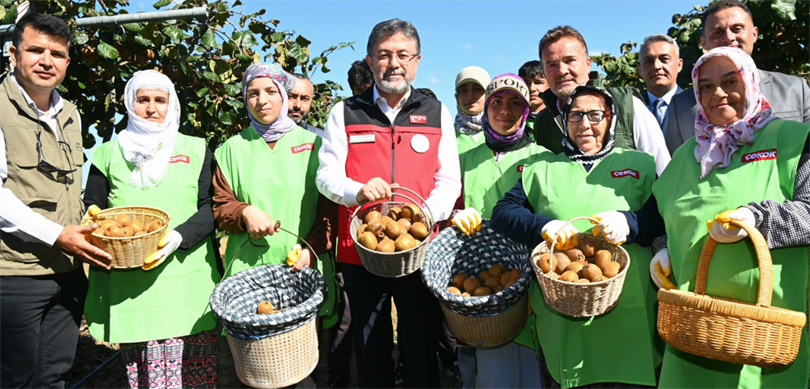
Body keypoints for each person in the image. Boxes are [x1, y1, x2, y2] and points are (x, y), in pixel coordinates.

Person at [652, 46, 810, 388]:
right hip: (693, 332)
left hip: (764, 337)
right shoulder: (686, 155)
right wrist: (662, 247)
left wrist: (759, 218)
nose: (717, 94)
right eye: (705, 87)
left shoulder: (793, 140)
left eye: (730, 81)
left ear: (751, 82)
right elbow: (663, 214)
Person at [316, 18, 461, 388]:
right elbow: (326, 176)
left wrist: (426, 215)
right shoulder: (344, 112)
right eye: (383, 55)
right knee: (370, 349)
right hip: (359, 251)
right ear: (369, 61)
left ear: (416, 61)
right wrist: (356, 191)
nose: (393, 63)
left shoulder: (436, 111)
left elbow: (448, 181)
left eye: (402, 54)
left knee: (420, 346)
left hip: (420, 250)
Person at [492, 85, 663, 389]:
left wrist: (631, 222)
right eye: (575, 115)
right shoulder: (541, 168)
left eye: (595, 115)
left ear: (610, 119)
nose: (585, 124)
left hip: (631, 310)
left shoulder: (641, 164)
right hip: (561, 307)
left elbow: (663, 216)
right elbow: (503, 213)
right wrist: (541, 226)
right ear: (565, 122)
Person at [82, 70, 220, 387]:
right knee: (146, 375)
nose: (151, 108)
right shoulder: (107, 153)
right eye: (142, 99)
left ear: (172, 105)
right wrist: (95, 219)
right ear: (130, 103)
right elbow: (94, 203)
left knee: (192, 375)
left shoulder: (196, 148)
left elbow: (210, 206)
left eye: (160, 100)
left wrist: (178, 237)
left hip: (185, 279)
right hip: (130, 283)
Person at [0, 13, 113, 389]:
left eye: (57, 53)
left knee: (54, 373)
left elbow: (68, 187)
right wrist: (56, 235)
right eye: (35, 50)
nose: (46, 61)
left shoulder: (70, 114)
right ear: (14, 54)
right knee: (14, 376)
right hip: (15, 275)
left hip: (65, 271)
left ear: (67, 62)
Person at [452, 74, 546, 389]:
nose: (505, 110)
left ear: (526, 109)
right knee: (488, 365)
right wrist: (456, 213)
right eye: (497, 102)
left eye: (515, 103)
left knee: (529, 361)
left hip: (528, 273)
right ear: (487, 107)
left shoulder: (541, 157)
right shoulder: (465, 157)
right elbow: (449, 202)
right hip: (479, 274)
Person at [664, 0, 810, 154]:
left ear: (754, 34)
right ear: (703, 43)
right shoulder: (682, 106)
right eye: (717, 32)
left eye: (737, 29)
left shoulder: (795, 89)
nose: (729, 37)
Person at [533, 25, 670, 174]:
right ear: (545, 73)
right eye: (552, 64)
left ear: (588, 64)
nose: (562, 71)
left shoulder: (627, 105)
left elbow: (664, 172)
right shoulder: (543, 123)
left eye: (570, 60)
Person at [637, 34, 683, 131]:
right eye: (649, 61)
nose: (656, 66)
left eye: (664, 59)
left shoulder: (695, 105)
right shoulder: (633, 109)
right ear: (640, 70)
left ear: (679, 65)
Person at [454, 66, 491, 157]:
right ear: (457, 97)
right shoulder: (447, 135)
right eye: (463, 90)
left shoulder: (501, 133)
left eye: (477, 89)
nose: (470, 96)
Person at [289, 73, 324, 138]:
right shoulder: (265, 138)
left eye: (304, 99)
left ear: (311, 103)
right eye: (291, 97)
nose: (298, 105)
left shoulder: (321, 140)